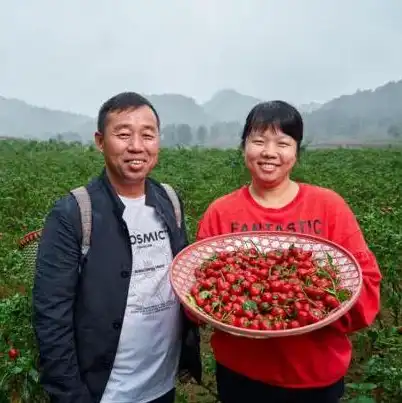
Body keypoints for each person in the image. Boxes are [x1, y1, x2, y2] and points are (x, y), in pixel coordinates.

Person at [194, 100, 382, 403]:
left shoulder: (329, 207)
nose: (269, 152)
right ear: (244, 147)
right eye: (258, 141)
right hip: (241, 374)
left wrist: (322, 308)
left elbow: (367, 285)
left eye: (283, 142)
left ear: (296, 152)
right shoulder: (221, 212)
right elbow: (200, 285)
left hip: (314, 377)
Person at [33, 92, 201, 403]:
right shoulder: (73, 213)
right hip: (104, 391)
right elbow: (50, 316)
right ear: (100, 141)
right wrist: (71, 395)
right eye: (123, 134)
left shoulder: (170, 200)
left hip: (161, 384)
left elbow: (184, 277)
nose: (136, 145)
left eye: (147, 135)